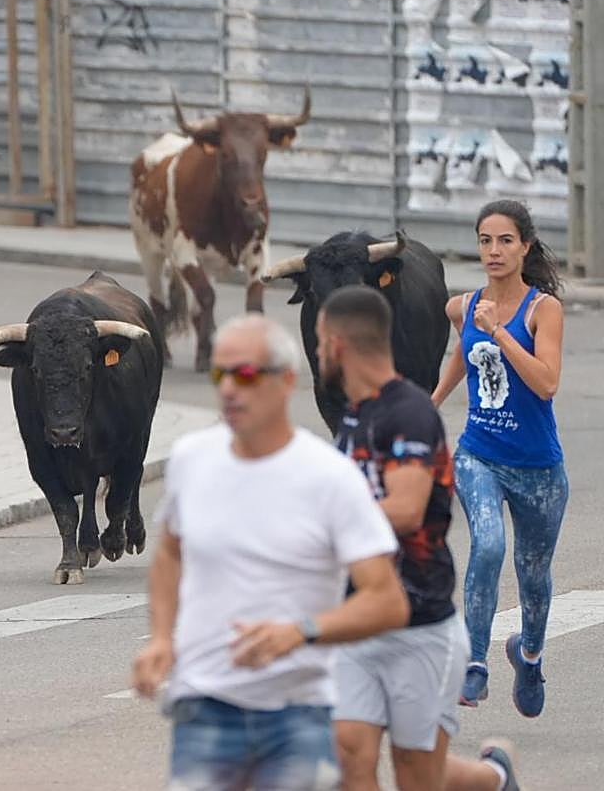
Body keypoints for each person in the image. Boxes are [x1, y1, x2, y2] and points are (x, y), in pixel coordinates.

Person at [131, 314, 409, 791]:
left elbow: (387, 600)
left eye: (244, 374)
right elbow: (170, 554)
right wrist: (161, 637)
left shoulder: (330, 477)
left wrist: (300, 632)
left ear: (285, 381)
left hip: (296, 713)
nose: (229, 390)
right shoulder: (191, 460)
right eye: (220, 375)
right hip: (203, 703)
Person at [317, 286, 520, 791]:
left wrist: (320, 528)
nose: (317, 354)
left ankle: (494, 779)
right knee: (349, 760)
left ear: (338, 344)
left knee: (418, 777)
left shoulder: (408, 412)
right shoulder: (352, 416)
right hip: (359, 621)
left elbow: (406, 511)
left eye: (320, 342)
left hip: (420, 626)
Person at [432, 199, 568, 719]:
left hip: (539, 469)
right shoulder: (463, 307)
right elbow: (462, 355)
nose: (493, 251)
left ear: (525, 247)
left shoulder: (542, 309)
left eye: (505, 241)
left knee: (534, 574)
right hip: (479, 455)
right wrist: (433, 402)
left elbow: (547, 383)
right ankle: (475, 663)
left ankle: (529, 655)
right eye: (485, 240)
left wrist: (499, 331)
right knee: (487, 545)